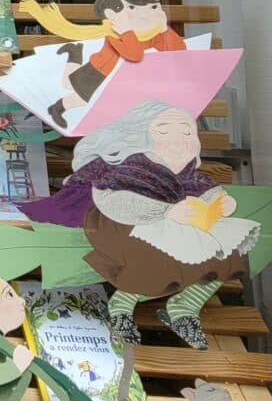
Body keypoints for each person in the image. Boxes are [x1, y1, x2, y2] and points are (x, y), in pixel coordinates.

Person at [22, 100, 259, 349]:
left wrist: (221, 201)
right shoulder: (126, 167)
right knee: (153, 257)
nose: (178, 139)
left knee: (228, 250)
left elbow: (205, 189)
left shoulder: (188, 175)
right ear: (141, 134)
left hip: (172, 230)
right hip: (118, 227)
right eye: (164, 131)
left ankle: (185, 307)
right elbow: (114, 203)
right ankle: (121, 305)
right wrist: (166, 211)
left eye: (187, 132)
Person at [41, 0, 185, 128]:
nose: (146, 15)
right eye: (133, 8)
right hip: (101, 72)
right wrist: (126, 31)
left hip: (124, 78)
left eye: (154, 7)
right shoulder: (115, 33)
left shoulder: (151, 34)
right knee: (79, 93)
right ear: (112, 14)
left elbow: (179, 51)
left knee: (85, 94)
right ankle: (58, 106)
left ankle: (74, 55)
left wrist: (165, 30)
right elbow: (135, 55)